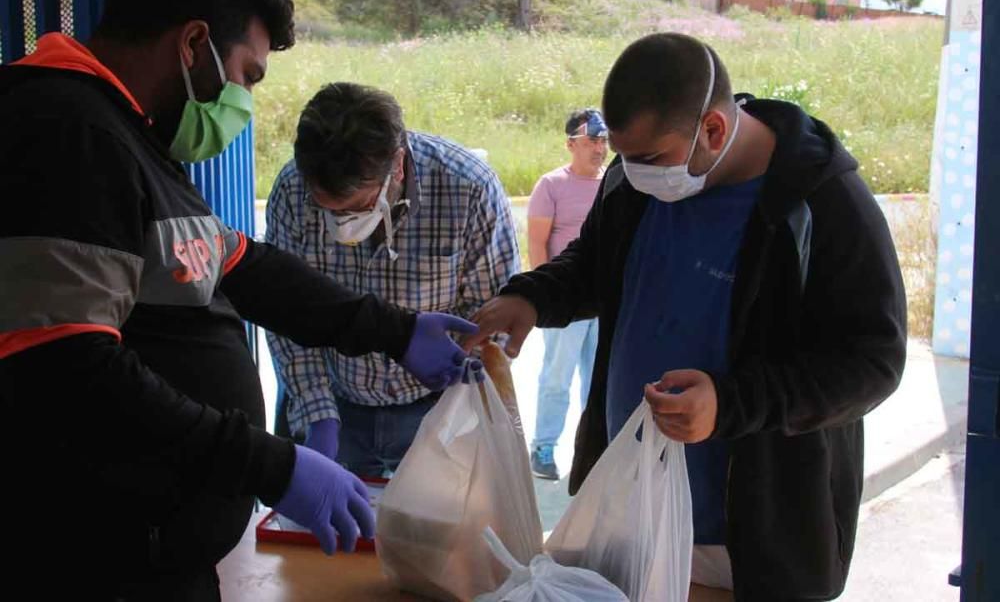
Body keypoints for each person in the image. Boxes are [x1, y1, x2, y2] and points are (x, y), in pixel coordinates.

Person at [0, 0, 478, 599]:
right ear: (194, 43)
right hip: (94, 564)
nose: (245, 100)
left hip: (159, 556)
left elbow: (250, 269)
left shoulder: (130, 139)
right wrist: (270, 461)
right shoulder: (66, 132)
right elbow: (71, 370)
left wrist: (395, 331)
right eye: (248, 73)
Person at [465, 32, 907, 600]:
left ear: (714, 129)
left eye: (649, 159)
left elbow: (873, 362)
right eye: (622, 156)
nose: (631, 171)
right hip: (623, 510)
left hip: (745, 543)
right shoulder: (635, 178)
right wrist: (532, 297)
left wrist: (730, 404)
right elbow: (597, 264)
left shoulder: (822, 204)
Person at [265, 82, 519, 477]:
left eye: (358, 207)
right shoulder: (292, 189)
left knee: (428, 534)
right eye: (327, 209)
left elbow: (493, 315)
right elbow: (286, 311)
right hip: (336, 400)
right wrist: (318, 414)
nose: (342, 223)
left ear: (397, 165)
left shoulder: (468, 188)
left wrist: (459, 400)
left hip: (434, 410)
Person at [525, 108, 607, 479]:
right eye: (592, 140)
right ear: (571, 143)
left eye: (604, 140)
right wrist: (544, 299)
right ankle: (543, 448)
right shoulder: (552, 185)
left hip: (604, 302)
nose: (599, 148)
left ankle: (591, 452)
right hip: (566, 301)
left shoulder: (614, 184)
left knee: (598, 380)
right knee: (557, 377)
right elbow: (538, 243)